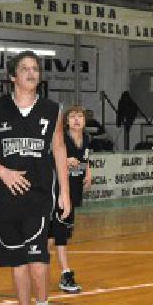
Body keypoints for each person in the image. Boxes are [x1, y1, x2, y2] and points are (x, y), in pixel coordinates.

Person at [0, 51, 71, 305]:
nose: (32, 73)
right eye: (25, 69)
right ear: (13, 77)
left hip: (39, 194)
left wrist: (64, 192)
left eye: (36, 68)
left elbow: (59, 150)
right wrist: (3, 172)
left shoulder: (52, 109)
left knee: (38, 259)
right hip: (5, 196)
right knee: (17, 262)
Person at [47, 105, 92, 294]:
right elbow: (48, 159)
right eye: (72, 116)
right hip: (59, 190)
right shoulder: (61, 138)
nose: (76, 119)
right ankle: (66, 273)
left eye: (80, 116)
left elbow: (86, 158)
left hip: (74, 190)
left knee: (51, 237)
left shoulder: (87, 138)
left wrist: (88, 172)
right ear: (66, 121)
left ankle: (35, 265)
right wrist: (64, 161)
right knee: (60, 235)